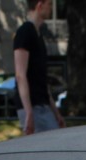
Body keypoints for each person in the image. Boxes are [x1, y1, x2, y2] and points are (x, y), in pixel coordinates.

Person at [13, 0, 65, 134]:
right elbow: (20, 75)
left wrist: (56, 113)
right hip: (33, 107)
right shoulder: (25, 32)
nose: (51, 8)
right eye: (49, 4)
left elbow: (42, 82)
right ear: (39, 5)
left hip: (43, 105)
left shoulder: (39, 36)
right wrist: (28, 112)